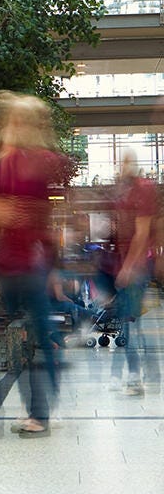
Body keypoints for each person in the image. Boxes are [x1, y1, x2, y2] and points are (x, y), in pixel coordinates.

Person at [0, 94, 65, 437]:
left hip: (27, 265)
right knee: (25, 338)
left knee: (29, 339)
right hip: (16, 264)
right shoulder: (17, 162)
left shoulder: (28, 163)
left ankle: (39, 409)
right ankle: (39, 404)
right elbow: (7, 216)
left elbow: (11, 214)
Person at [109, 149, 159, 395]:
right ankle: (148, 374)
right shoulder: (124, 190)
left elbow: (141, 232)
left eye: (127, 161)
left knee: (129, 322)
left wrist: (128, 267)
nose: (122, 165)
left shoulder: (142, 188)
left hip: (137, 267)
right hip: (127, 266)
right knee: (133, 322)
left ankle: (135, 377)